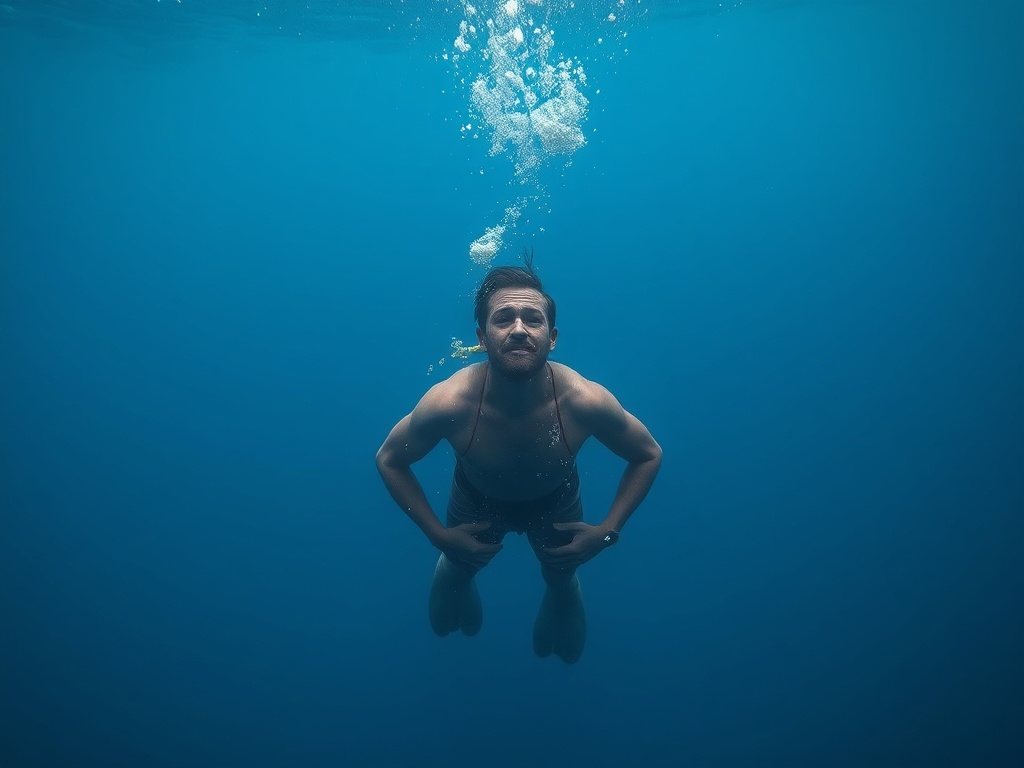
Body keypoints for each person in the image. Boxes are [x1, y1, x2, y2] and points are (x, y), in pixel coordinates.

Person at [375, 255, 662, 663]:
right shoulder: (450, 402)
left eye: (533, 318)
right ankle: (456, 568)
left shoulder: (584, 400)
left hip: (556, 500)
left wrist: (609, 530)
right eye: (503, 318)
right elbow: (389, 459)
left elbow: (648, 454)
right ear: (481, 335)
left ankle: (560, 593)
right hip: (477, 500)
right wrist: (438, 535)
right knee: (457, 569)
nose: (519, 330)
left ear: (553, 336)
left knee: (561, 576)